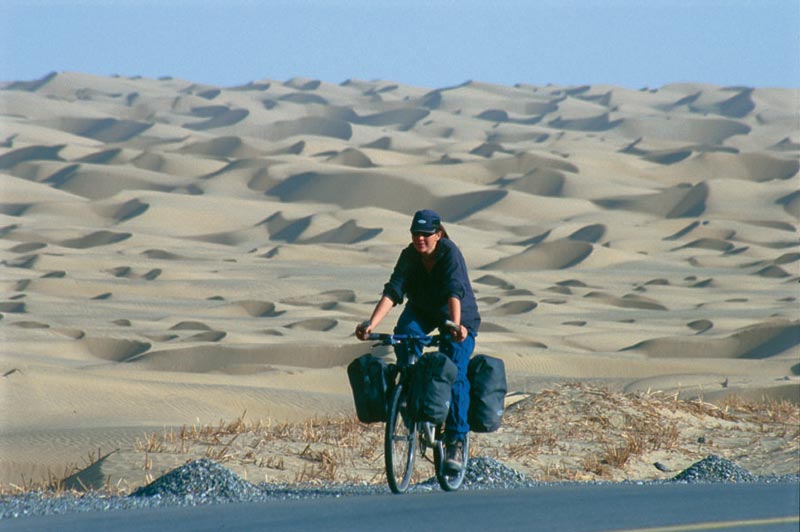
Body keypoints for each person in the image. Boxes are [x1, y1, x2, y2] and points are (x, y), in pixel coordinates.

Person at [356, 209, 481, 472]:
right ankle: (411, 406)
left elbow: (454, 291)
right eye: (415, 234)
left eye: (425, 234)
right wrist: (370, 324)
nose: (420, 239)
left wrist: (457, 326)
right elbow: (393, 291)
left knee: (454, 371)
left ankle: (456, 439)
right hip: (422, 311)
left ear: (438, 234)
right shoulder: (409, 256)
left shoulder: (449, 253)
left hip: (455, 312)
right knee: (405, 340)